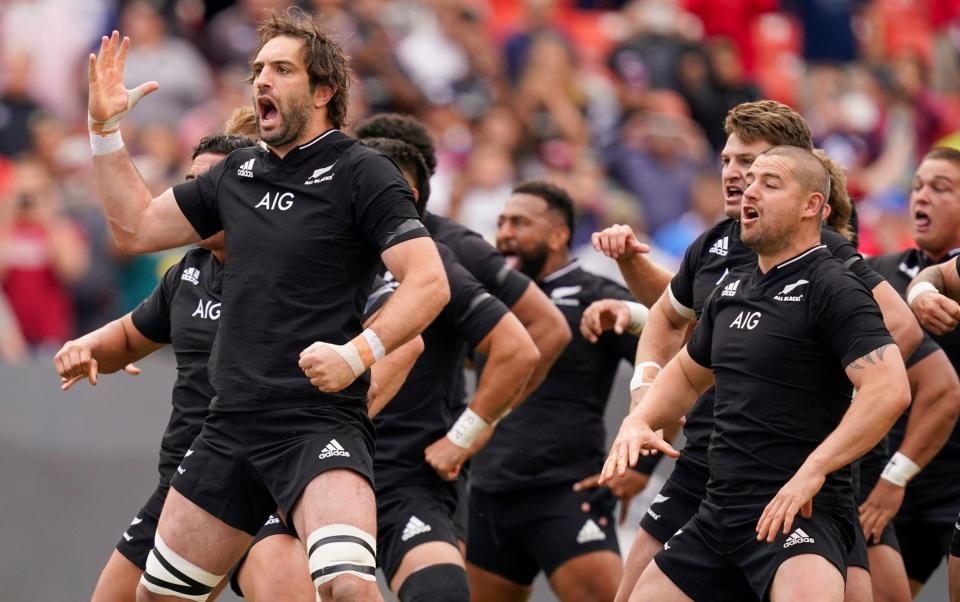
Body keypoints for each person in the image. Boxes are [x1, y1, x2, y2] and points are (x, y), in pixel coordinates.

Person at [84, 8, 449, 601]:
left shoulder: (363, 172)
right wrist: (104, 131)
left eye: (282, 69)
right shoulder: (238, 173)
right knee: (153, 597)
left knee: (350, 588)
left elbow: (429, 282)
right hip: (229, 426)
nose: (261, 81)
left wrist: (358, 354)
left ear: (324, 91)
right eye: (258, 69)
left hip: (315, 424)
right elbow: (135, 229)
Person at [55, 133, 425, 602]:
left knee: (338, 588)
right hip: (195, 479)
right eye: (191, 184)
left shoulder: (310, 265)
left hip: (283, 473)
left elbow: (406, 340)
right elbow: (127, 337)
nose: (198, 195)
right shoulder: (186, 275)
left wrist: (335, 425)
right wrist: (85, 346)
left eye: (209, 184)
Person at [590, 100, 921, 602]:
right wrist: (639, 416)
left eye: (764, 176)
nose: (740, 181)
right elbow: (682, 357)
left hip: (798, 501)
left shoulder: (834, 278)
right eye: (732, 164)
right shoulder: (730, 276)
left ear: (812, 204)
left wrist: (815, 458)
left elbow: (891, 383)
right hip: (716, 488)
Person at [230, 136, 539, 602]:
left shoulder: (435, 263)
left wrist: (464, 436)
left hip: (405, 475)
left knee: (442, 591)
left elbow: (524, 345)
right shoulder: (298, 251)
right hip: (308, 466)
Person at [465, 180, 644, 602]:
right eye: (502, 222)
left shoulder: (596, 297)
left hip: (565, 492)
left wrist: (642, 466)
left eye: (520, 223)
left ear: (559, 235)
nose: (506, 232)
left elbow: (670, 369)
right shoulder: (489, 298)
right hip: (489, 493)